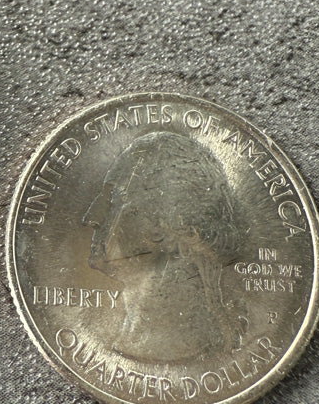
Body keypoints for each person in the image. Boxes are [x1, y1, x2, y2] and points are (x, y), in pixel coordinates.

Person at [83, 131, 244, 364]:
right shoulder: (128, 334)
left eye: (114, 199)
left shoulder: (177, 345)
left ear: (167, 227)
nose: (91, 218)